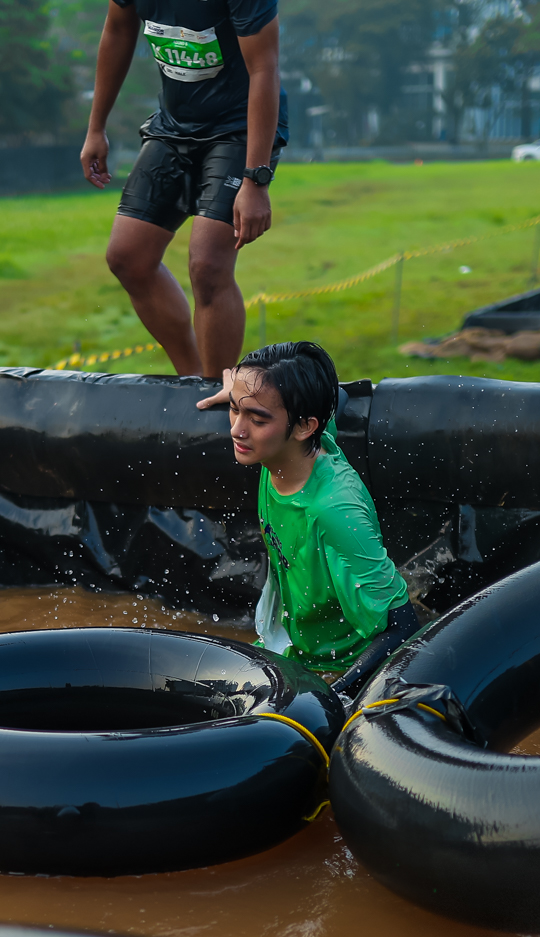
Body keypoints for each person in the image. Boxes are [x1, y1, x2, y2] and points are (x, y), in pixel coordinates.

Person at [80, 0, 288, 380]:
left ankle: (217, 391)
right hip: (174, 126)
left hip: (240, 128)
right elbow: (118, 30)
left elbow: (265, 68)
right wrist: (96, 128)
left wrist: (255, 179)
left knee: (208, 266)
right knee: (128, 256)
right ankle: (192, 382)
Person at [195, 341, 416, 686]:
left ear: (304, 427)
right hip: (292, 648)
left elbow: (404, 628)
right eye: (235, 411)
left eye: (257, 419)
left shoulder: (334, 510)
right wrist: (243, 393)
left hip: (340, 666)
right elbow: (335, 396)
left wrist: (333, 694)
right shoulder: (296, 443)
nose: (237, 429)